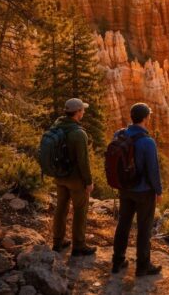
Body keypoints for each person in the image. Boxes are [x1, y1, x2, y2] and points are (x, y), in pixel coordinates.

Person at [111, 103, 163, 277]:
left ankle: (117, 261)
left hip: (125, 188)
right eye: (148, 116)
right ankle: (143, 266)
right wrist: (158, 190)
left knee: (123, 224)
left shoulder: (119, 134)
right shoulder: (148, 142)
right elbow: (153, 170)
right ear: (145, 118)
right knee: (144, 228)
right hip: (144, 192)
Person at [52, 98, 97, 256]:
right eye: (82, 110)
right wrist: (89, 181)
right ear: (77, 112)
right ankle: (79, 245)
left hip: (59, 176)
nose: (84, 112)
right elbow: (83, 161)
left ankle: (57, 242)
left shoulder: (57, 126)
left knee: (61, 208)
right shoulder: (79, 133)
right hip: (75, 179)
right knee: (80, 210)